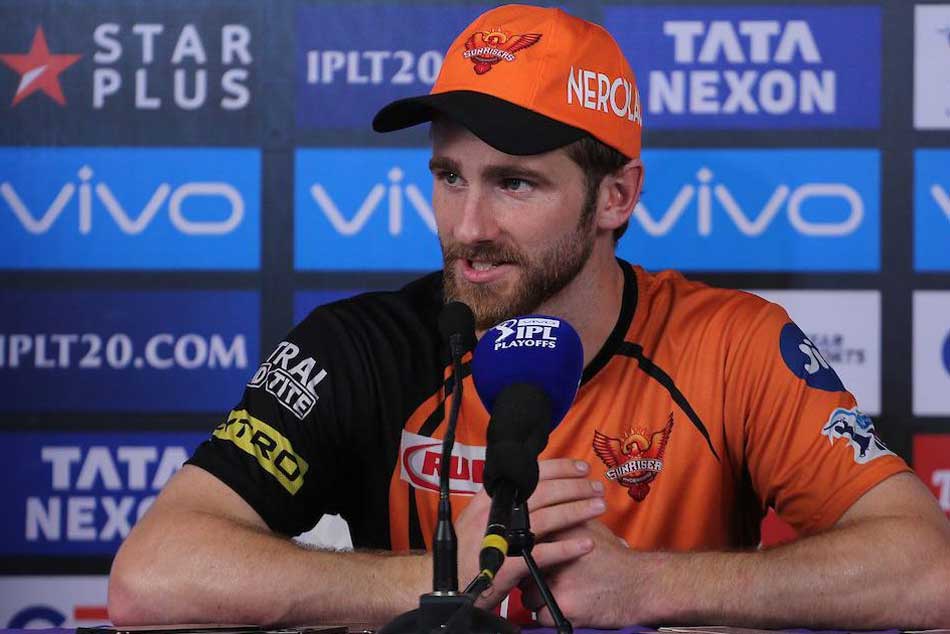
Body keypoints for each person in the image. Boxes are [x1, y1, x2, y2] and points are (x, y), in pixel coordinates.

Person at [108, 5, 950, 629]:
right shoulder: (356, 348)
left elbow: (929, 571)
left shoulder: (733, 344)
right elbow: (151, 577)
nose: (467, 227)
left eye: (514, 183)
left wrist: (650, 586)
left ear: (616, 196)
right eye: (449, 177)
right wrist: (445, 581)